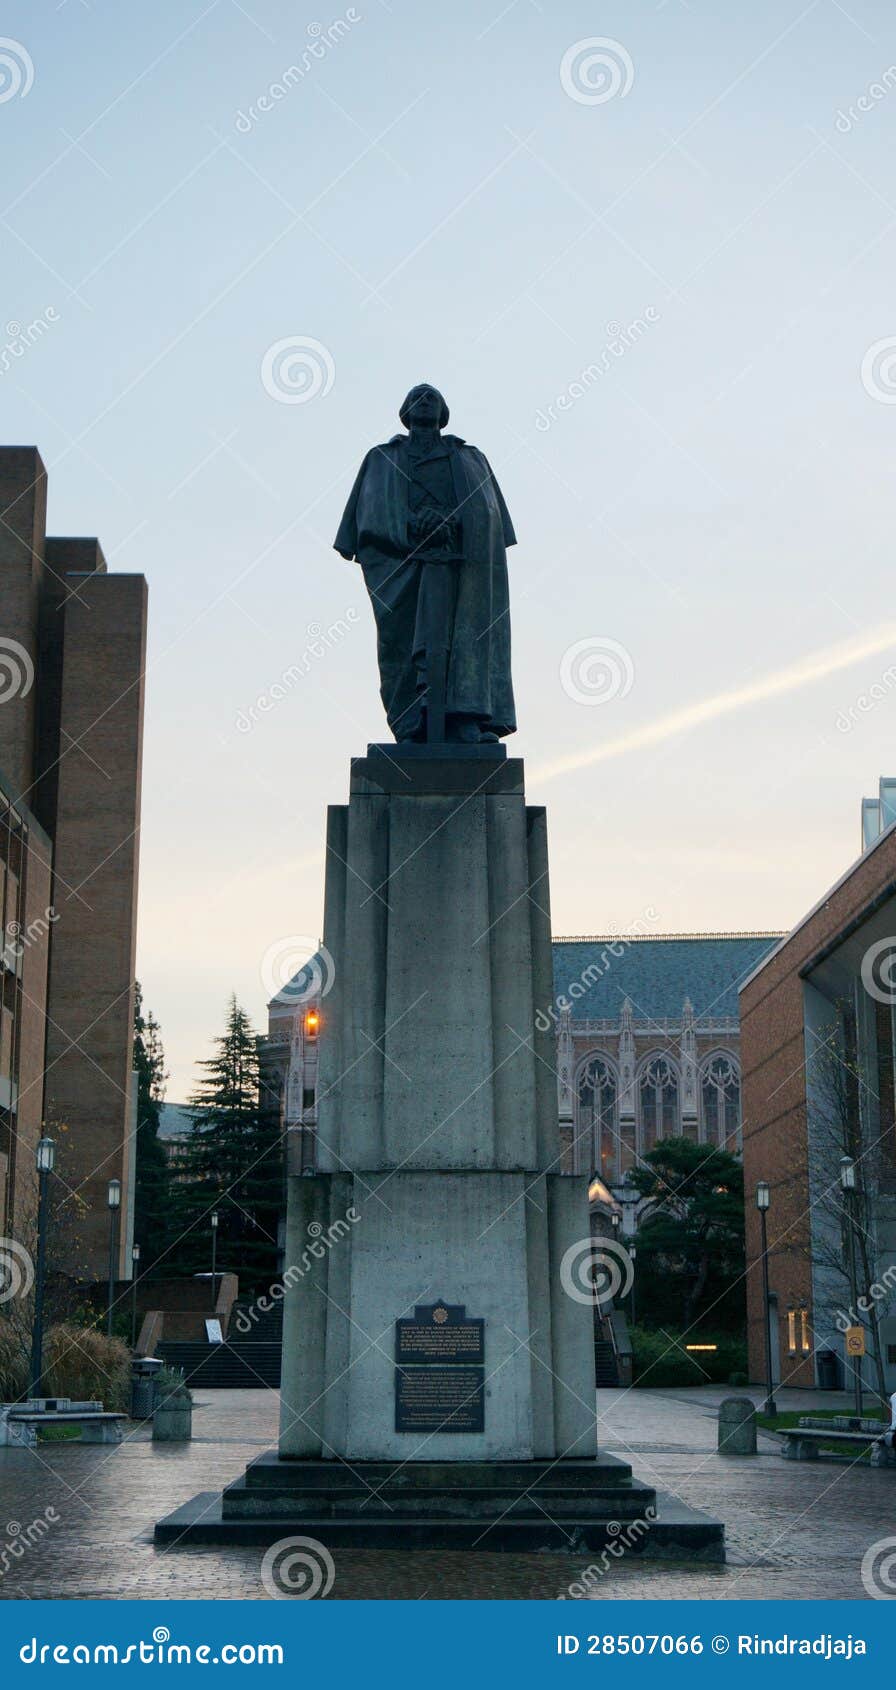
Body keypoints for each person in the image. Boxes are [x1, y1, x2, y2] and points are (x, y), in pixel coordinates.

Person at [334, 384, 517, 744]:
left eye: (432, 396)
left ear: (444, 412)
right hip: (404, 563)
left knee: (465, 638)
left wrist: (453, 525)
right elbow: (370, 512)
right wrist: (410, 525)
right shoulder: (382, 458)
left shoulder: (470, 457)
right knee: (401, 642)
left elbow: (490, 516)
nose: (425, 399)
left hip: (460, 563)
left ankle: (465, 717)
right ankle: (413, 721)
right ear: (404, 411)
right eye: (417, 396)